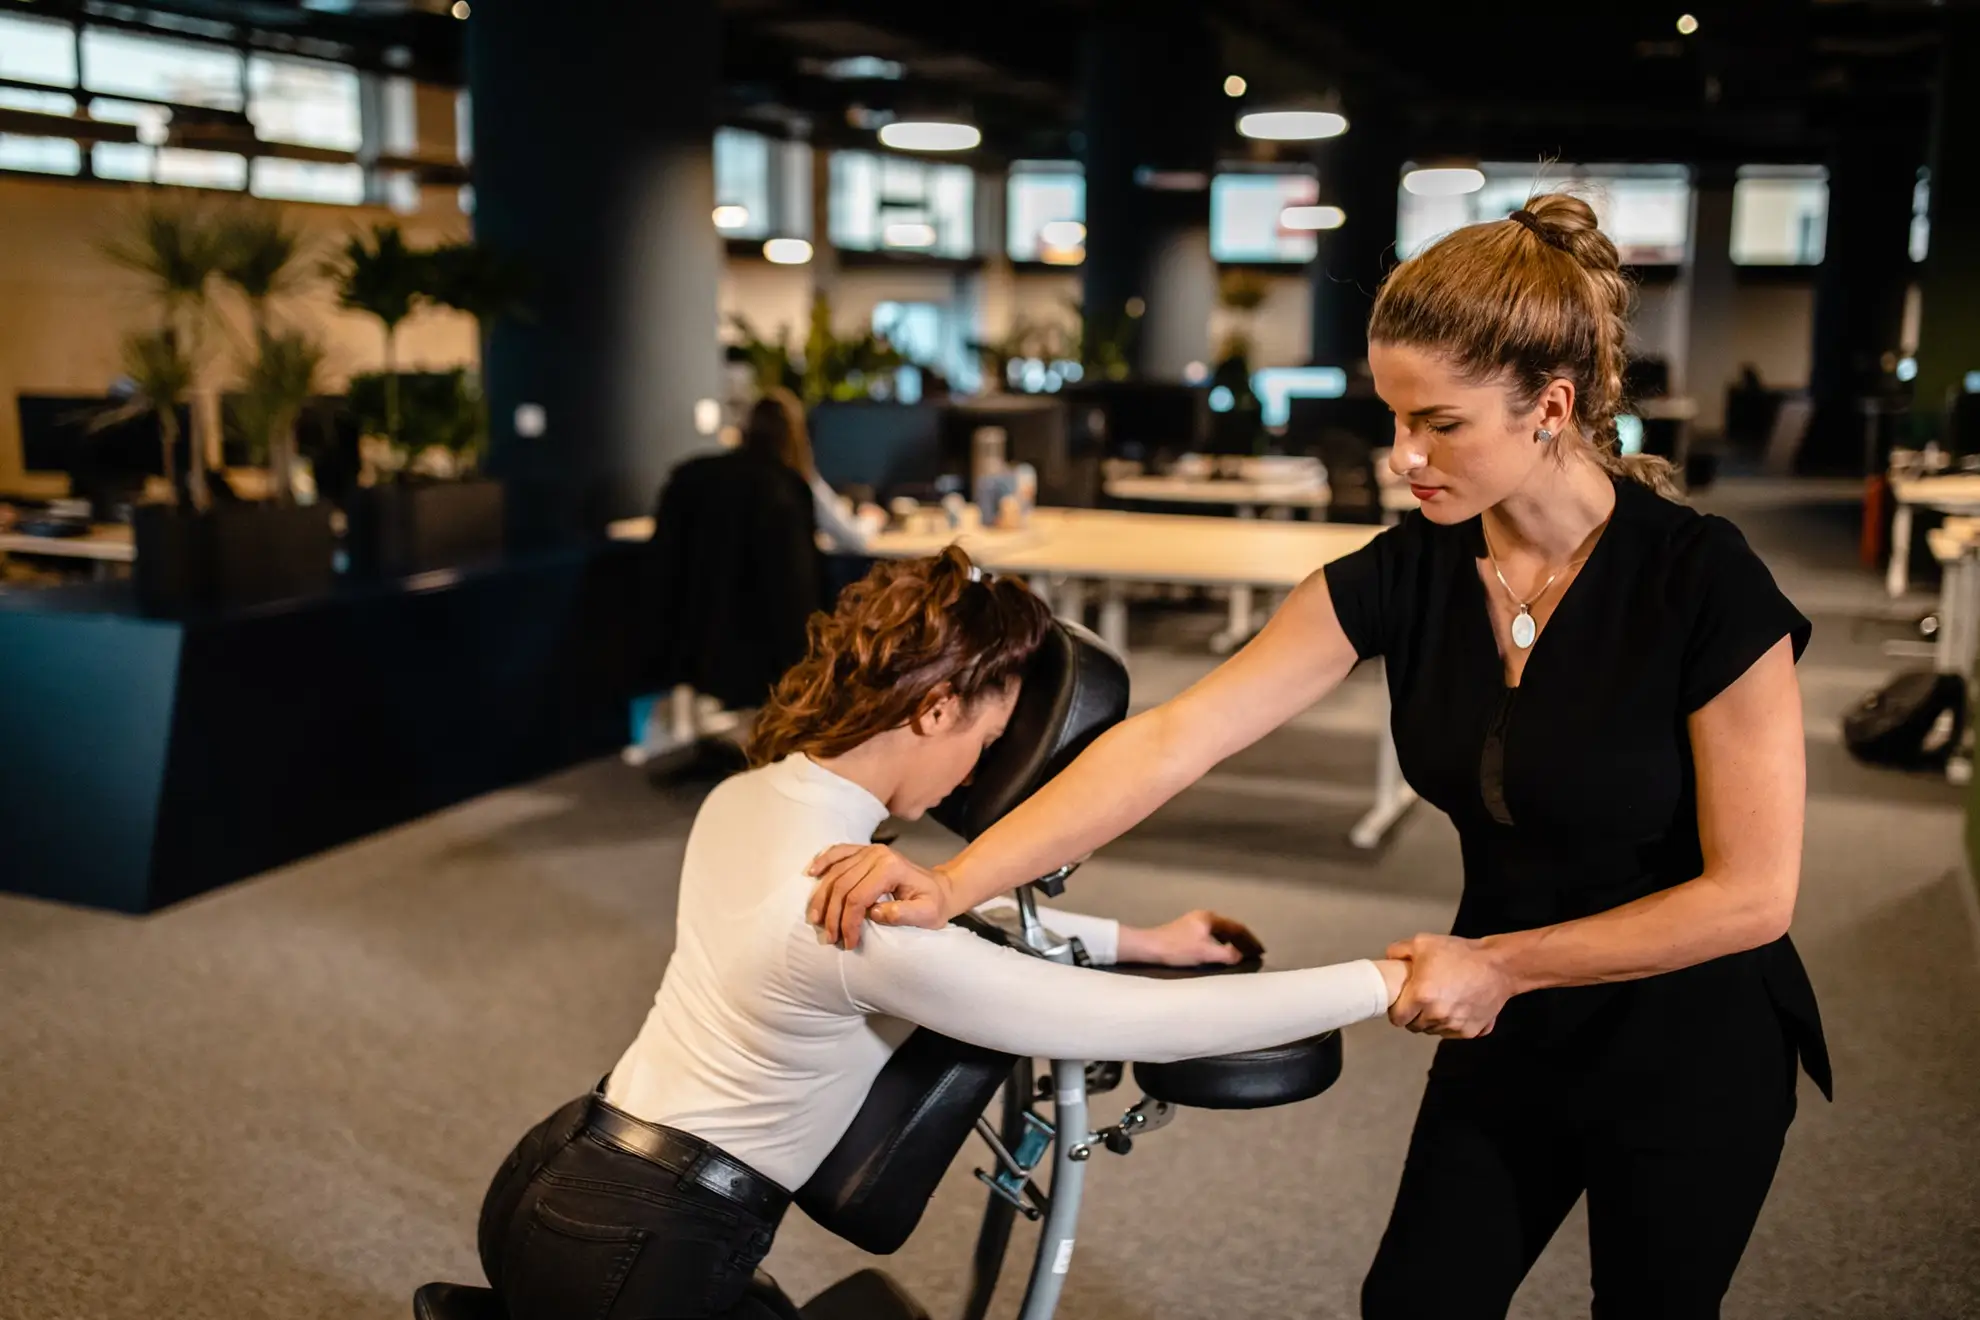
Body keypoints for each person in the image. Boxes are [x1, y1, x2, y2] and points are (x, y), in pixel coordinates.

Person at [805, 194, 1830, 1320]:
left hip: (1688, 1037)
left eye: (1439, 424)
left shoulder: (1702, 584)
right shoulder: (1410, 573)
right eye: (1391, 418)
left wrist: (1504, 965)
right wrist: (953, 883)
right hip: (1505, 1020)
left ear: (1552, 405)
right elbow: (1176, 738)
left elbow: (1752, 897)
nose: (1402, 458)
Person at [478, 547, 1408, 1320]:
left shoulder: (753, 798)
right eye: (987, 739)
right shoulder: (864, 928)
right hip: (641, 1258)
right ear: (934, 710)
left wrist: (1146, 941)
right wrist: (1384, 979)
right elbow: (1129, 1025)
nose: (977, 777)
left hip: (553, 1179)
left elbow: (944, 925)